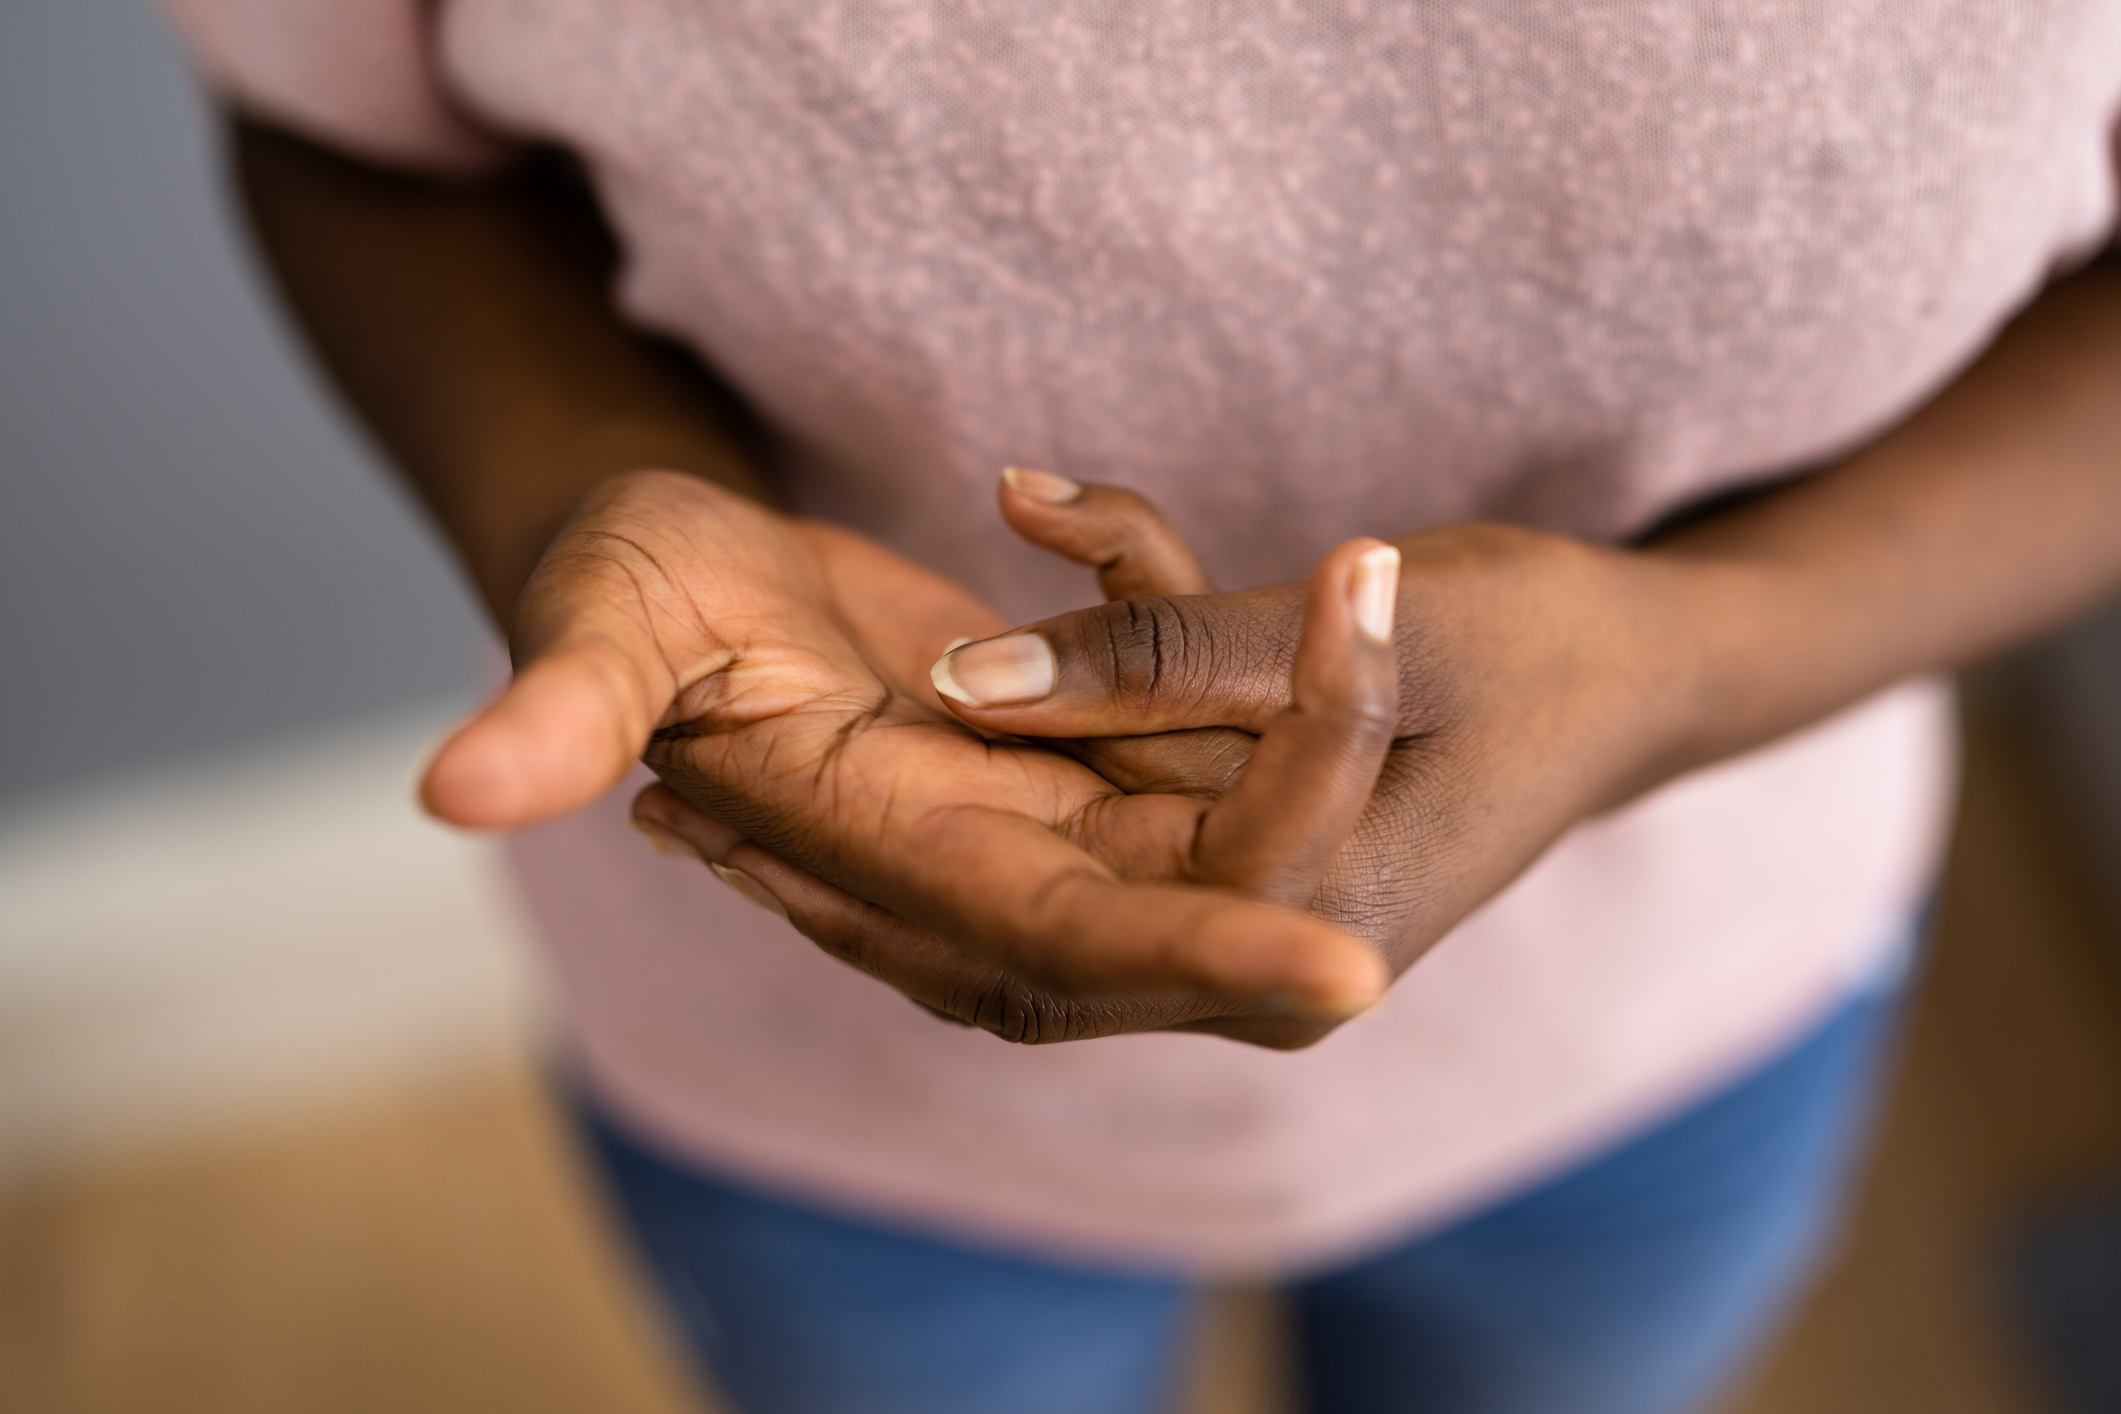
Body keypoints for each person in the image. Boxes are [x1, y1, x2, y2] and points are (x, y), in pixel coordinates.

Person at [160, 3, 2121, 1411]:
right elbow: (344, 130)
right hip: (811, 1048)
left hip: (1678, 996)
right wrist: (591, 482)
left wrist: (1699, 657)